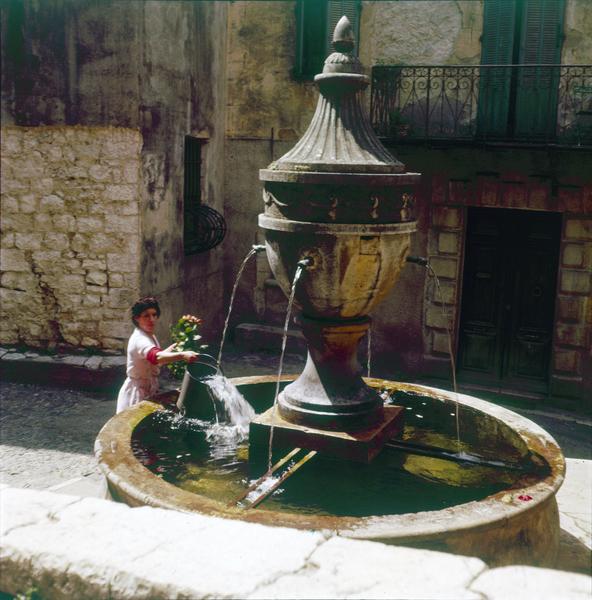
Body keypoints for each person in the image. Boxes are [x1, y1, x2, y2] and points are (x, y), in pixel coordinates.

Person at [116, 296, 199, 413]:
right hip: (136, 393)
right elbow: (156, 357)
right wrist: (182, 355)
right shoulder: (140, 339)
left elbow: (155, 358)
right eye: (146, 316)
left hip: (149, 388)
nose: (152, 319)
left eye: (154, 315)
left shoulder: (149, 335)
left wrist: (175, 347)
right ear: (137, 318)